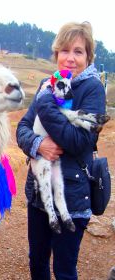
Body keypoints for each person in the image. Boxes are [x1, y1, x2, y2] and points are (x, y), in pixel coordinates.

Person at [16, 22, 106, 280]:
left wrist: (46, 106)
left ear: (88, 57)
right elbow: (22, 127)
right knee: (37, 262)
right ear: (56, 54)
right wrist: (37, 145)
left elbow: (80, 141)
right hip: (38, 196)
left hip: (72, 197)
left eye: (78, 51)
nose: (70, 58)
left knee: (64, 270)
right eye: (64, 51)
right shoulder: (47, 83)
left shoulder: (92, 89)